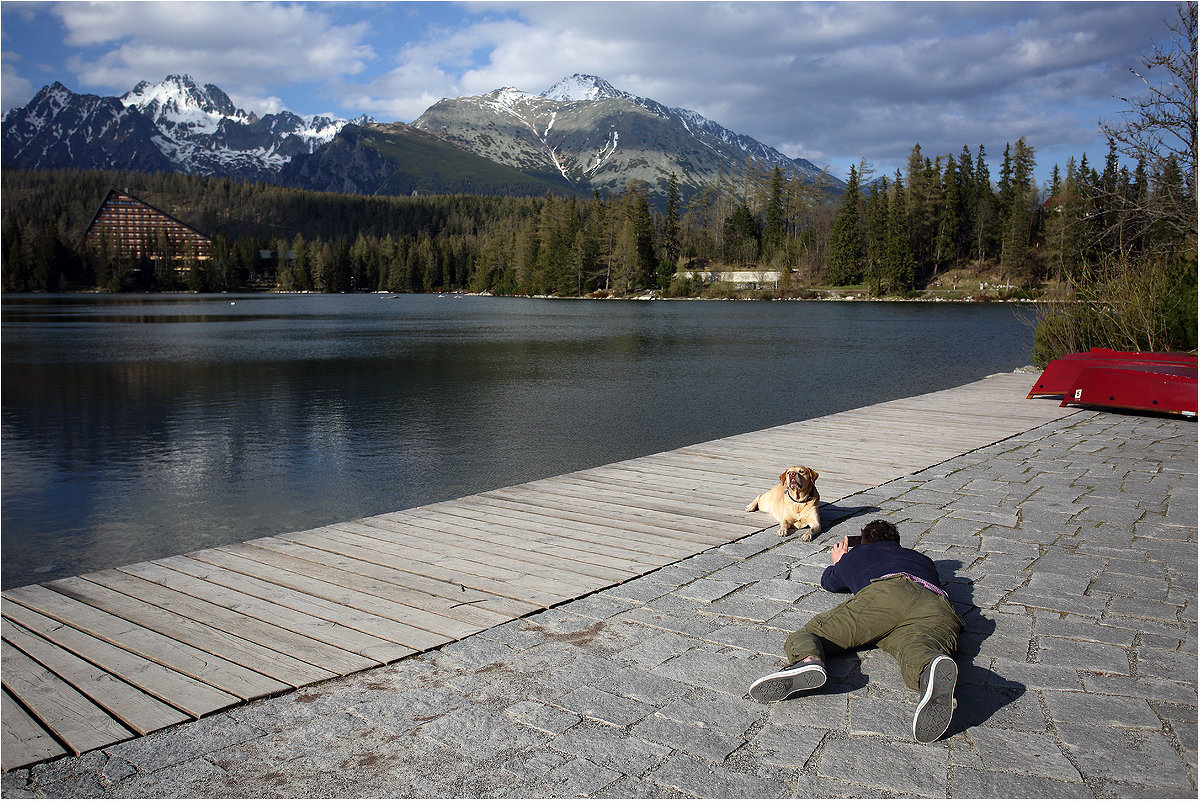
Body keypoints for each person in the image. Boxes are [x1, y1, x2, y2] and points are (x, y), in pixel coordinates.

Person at [748, 519, 964, 743]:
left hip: (887, 594)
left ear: (862, 542)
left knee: (812, 633)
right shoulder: (922, 559)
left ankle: (808, 659)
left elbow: (829, 582)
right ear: (897, 542)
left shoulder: (856, 555)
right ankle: (929, 668)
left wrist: (840, 562)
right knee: (917, 646)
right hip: (937, 605)